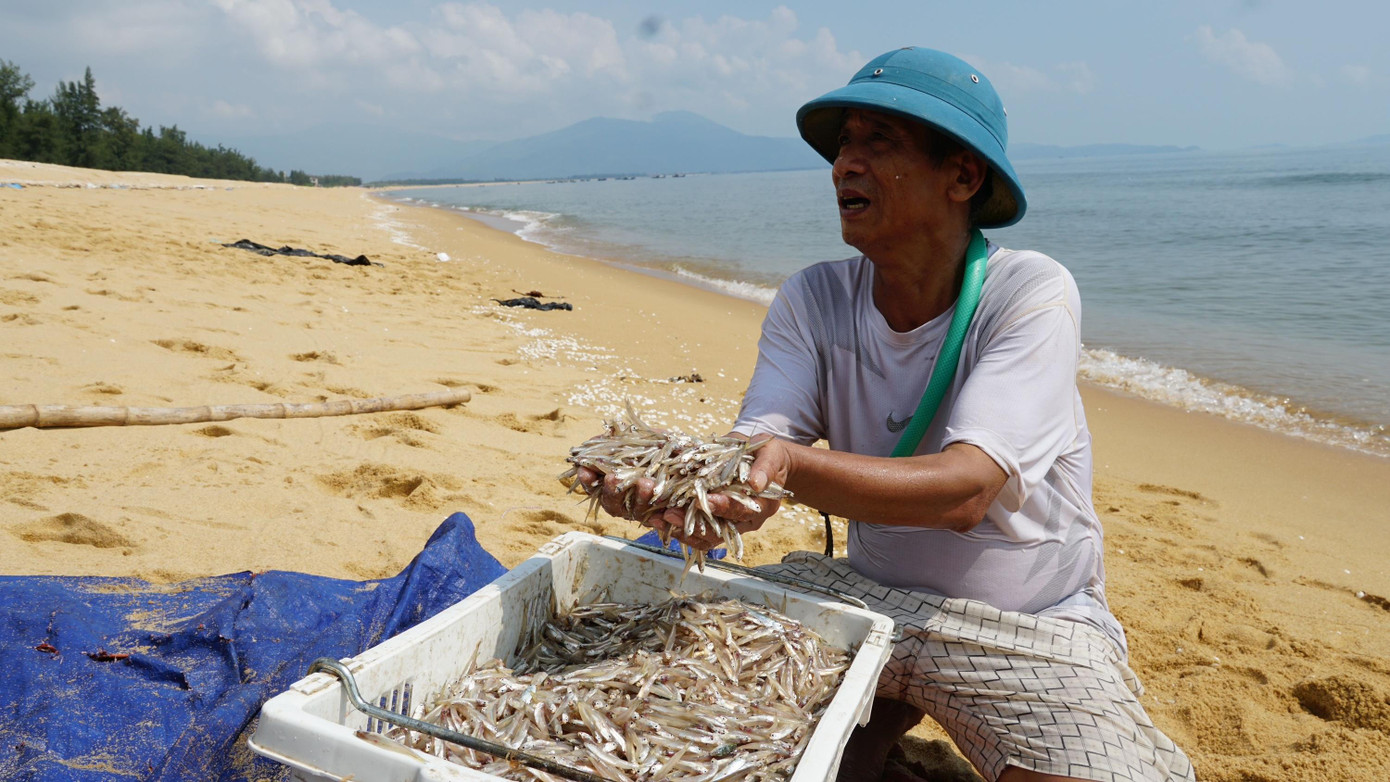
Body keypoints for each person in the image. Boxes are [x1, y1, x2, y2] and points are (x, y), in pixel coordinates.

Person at [582, 46, 1193, 782]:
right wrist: (697, 499)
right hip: (861, 598)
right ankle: (878, 725)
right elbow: (758, 454)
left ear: (962, 176)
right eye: (843, 145)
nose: (846, 165)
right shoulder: (813, 299)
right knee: (711, 737)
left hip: (1028, 627)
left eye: (880, 143)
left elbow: (967, 490)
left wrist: (787, 468)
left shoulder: (1030, 293)